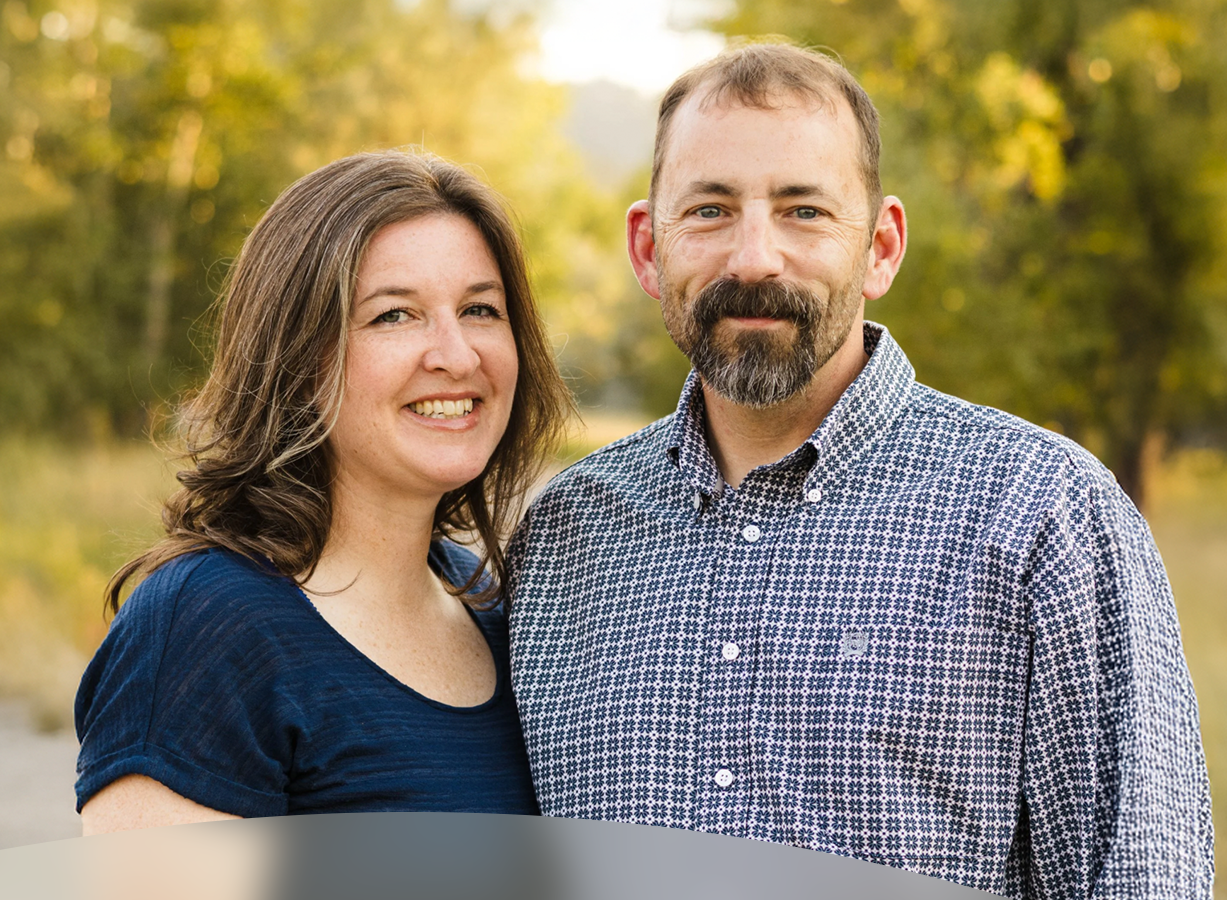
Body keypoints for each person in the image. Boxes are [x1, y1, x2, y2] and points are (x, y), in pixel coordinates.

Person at [507, 43, 1214, 897]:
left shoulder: (1044, 515)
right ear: (648, 249)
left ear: (880, 246)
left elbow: (1139, 877)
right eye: (709, 211)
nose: (754, 258)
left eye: (803, 211)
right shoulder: (563, 534)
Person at [75, 150, 571, 829]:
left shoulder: (501, 612)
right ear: (295, 358)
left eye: (480, 309)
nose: (457, 355)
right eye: (394, 315)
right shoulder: (208, 625)